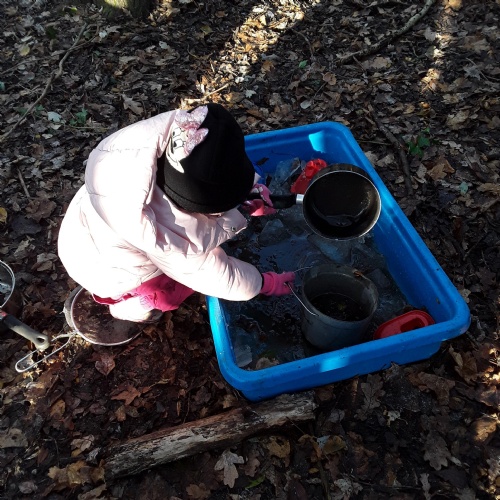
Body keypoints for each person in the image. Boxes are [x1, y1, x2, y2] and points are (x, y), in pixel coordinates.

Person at [58, 103, 296, 323]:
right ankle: (132, 306)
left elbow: (215, 171)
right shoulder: (168, 240)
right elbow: (222, 279)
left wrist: (247, 195)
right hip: (112, 275)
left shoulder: (156, 144)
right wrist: (264, 283)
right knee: (168, 294)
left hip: (79, 235)